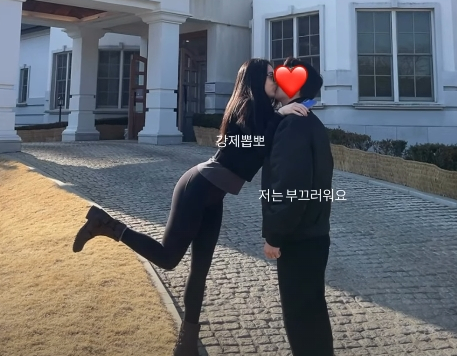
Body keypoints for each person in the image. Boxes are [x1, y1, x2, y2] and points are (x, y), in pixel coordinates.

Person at [72, 58, 308, 356]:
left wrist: (286, 111)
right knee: (168, 258)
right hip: (196, 188)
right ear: (255, 79)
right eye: (271, 76)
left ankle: (186, 344)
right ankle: (106, 224)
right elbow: (248, 143)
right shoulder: (244, 108)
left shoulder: (263, 114)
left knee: (200, 271)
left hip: (214, 198)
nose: (276, 80)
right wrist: (281, 114)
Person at [262, 57, 334, 356]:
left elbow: (289, 188)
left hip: (297, 237)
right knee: (312, 314)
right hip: (315, 233)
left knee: (301, 320)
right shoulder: (309, 121)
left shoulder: (293, 125)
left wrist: (274, 235)